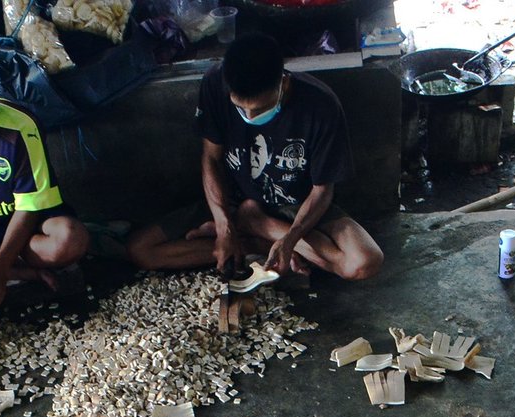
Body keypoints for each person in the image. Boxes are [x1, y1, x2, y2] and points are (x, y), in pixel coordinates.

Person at [127, 32, 383, 282]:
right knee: (141, 250)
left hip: (296, 206)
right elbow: (211, 159)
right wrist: (223, 226)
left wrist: (291, 238)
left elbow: (322, 191)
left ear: (282, 83)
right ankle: (255, 241)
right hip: (232, 201)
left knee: (363, 262)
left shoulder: (322, 106)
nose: (249, 117)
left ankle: (261, 226)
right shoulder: (216, 83)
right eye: (241, 108)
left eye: (259, 109)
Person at [0, 96, 89, 310]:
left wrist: (0, 266)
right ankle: (21, 272)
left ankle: (5, 267)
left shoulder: (17, 124)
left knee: (69, 238)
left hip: (26, 229)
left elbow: (29, 207)